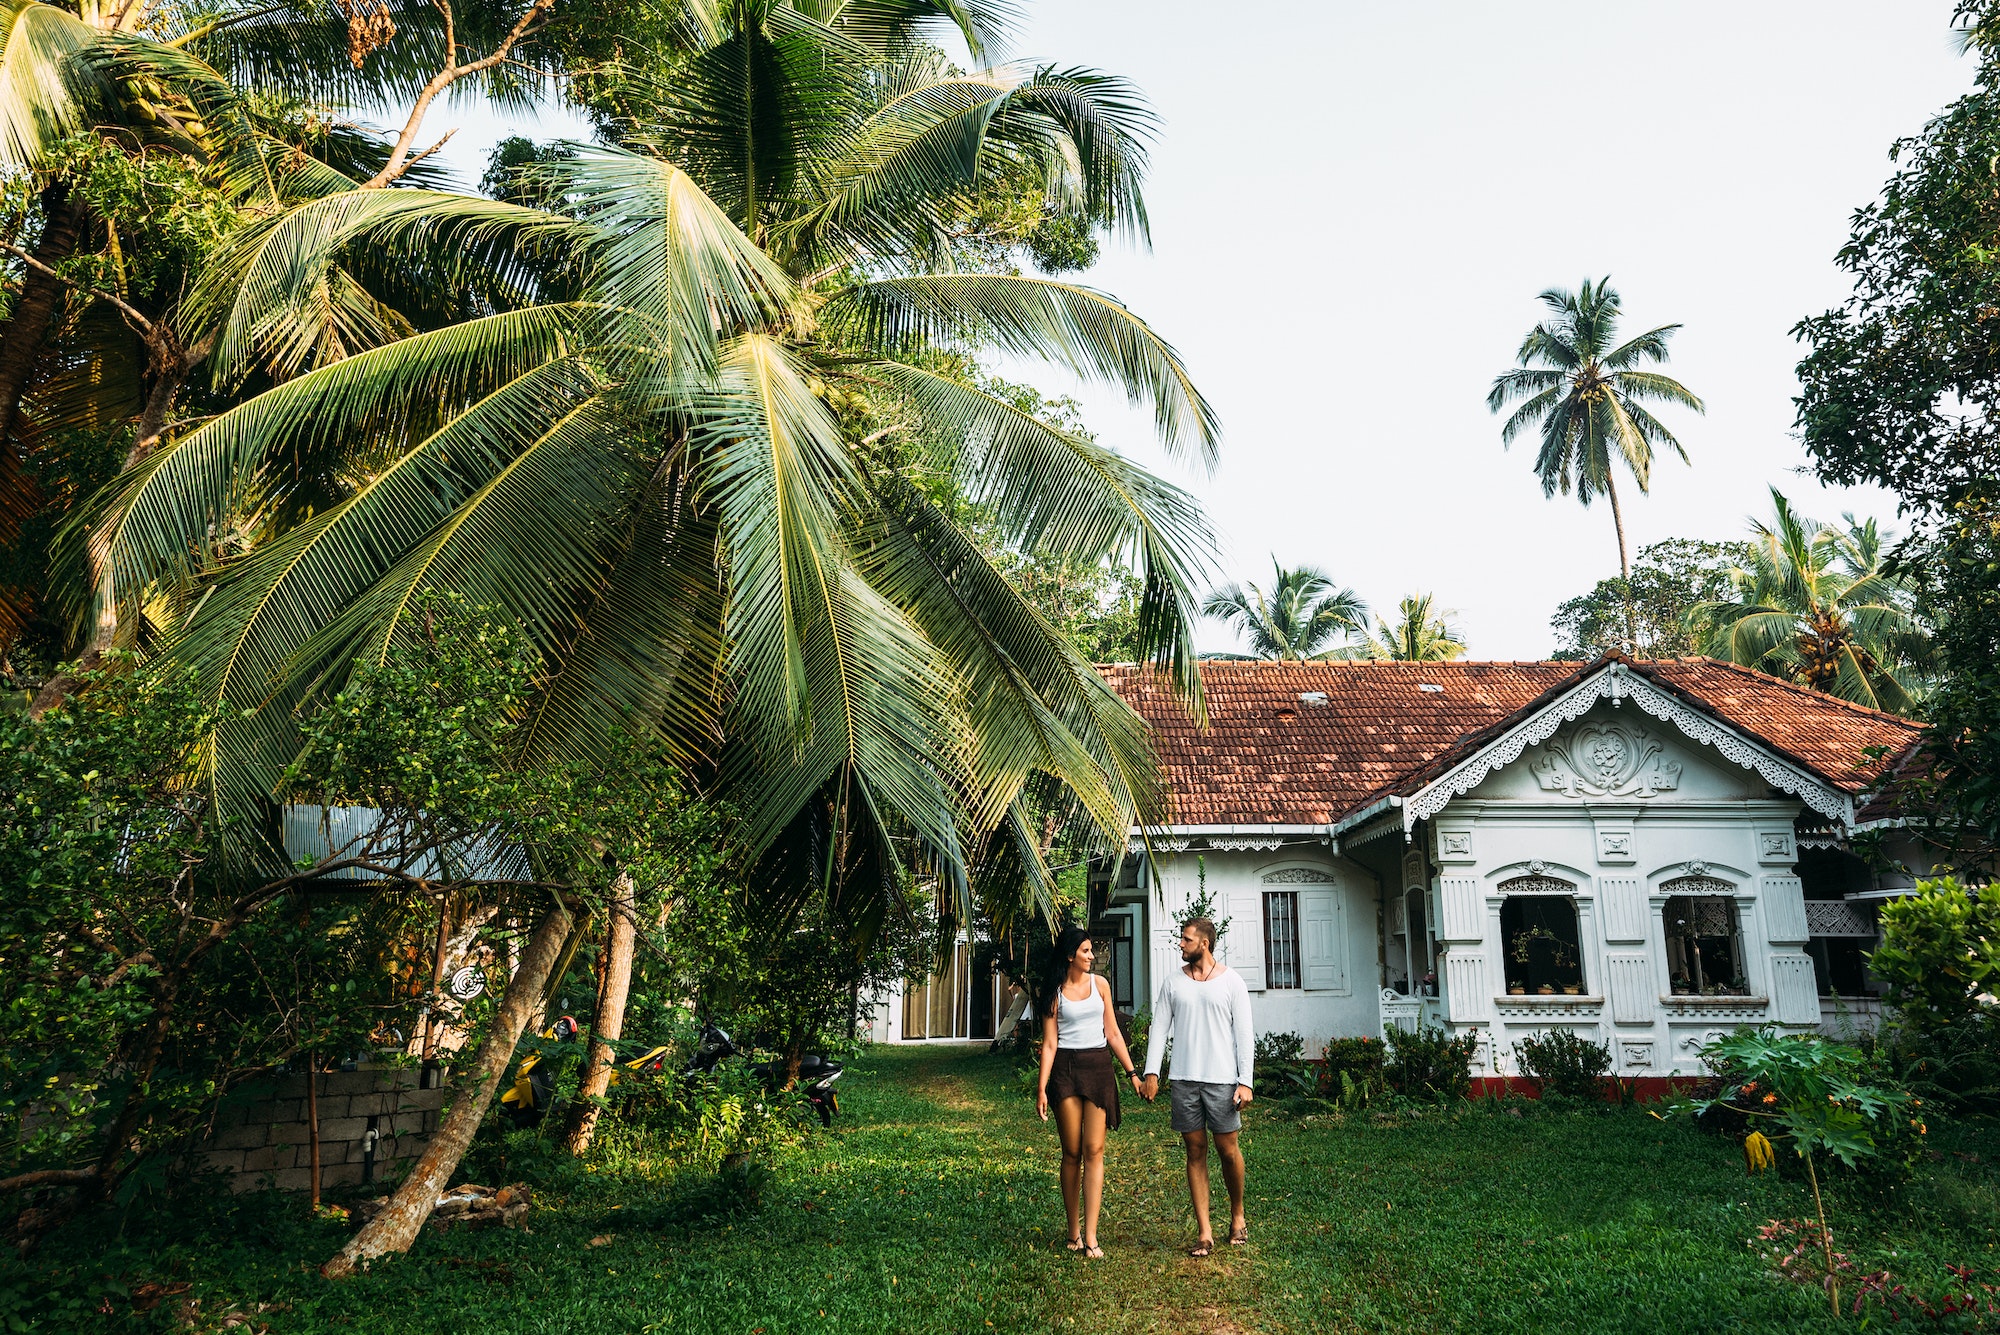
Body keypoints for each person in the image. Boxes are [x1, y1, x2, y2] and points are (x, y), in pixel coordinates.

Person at [1139, 917, 1254, 1257]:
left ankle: (1237, 1216)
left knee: (1227, 1150)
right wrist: (1152, 1073)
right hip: (1184, 1079)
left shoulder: (1232, 982)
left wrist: (1245, 1081)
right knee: (1194, 1151)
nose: (1180, 944)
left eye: (1186, 940)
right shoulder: (1173, 983)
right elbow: (1159, 1029)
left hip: (1222, 1079)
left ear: (1204, 944)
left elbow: (1244, 1034)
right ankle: (1204, 1232)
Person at [1035, 925, 1145, 1259]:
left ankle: (1092, 1236)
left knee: (1094, 1150)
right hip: (1066, 1071)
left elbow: (1112, 1031)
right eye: (1085, 951)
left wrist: (1133, 1074)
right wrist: (1042, 1088)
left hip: (1098, 1069)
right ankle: (1073, 1232)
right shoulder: (1053, 992)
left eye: (1091, 950)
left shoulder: (1101, 985)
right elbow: (1050, 1043)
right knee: (1072, 1152)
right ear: (1070, 955)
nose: (1091, 956)